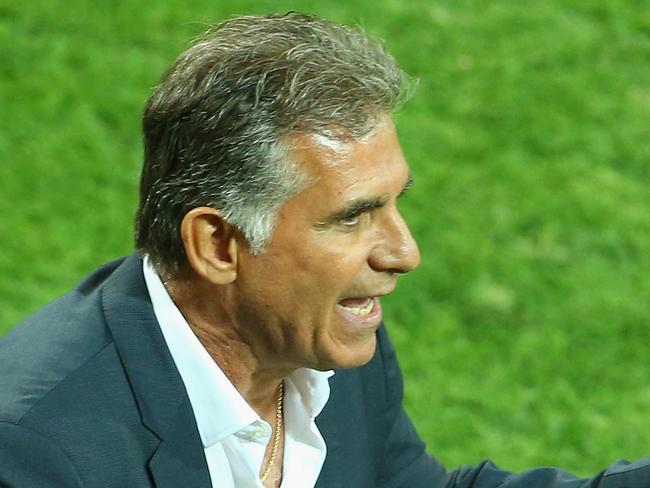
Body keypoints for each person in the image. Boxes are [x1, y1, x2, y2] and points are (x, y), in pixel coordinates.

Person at [0, 12, 648, 488]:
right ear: (218, 245)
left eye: (397, 203)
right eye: (353, 216)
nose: (404, 252)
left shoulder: (323, 348)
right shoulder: (36, 450)